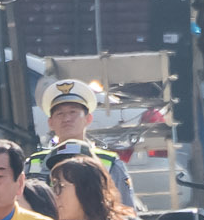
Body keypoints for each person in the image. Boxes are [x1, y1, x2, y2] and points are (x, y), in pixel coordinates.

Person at [26, 79, 140, 211]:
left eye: (73, 112)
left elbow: (127, 211)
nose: (67, 118)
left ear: (88, 119)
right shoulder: (33, 164)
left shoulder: (110, 163)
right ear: (50, 122)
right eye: (60, 114)